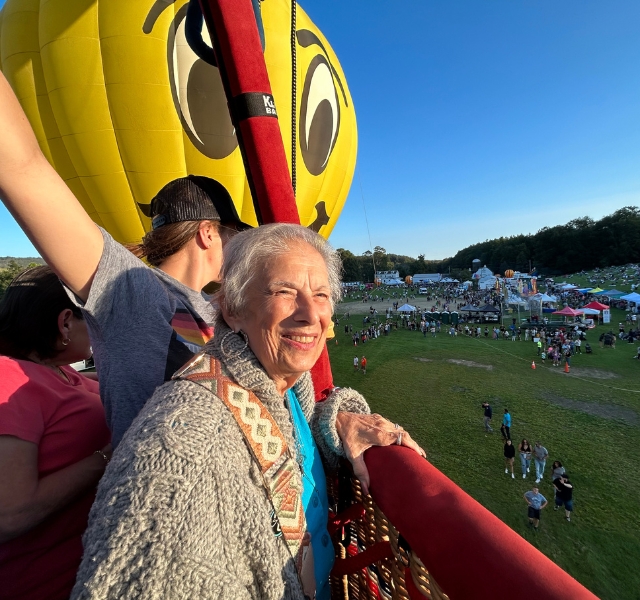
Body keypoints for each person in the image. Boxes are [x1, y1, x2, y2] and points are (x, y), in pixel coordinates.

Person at [71, 224, 426, 599]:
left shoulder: (287, 384)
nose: (310, 313)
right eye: (284, 292)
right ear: (234, 309)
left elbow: (294, 437)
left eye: (321, 294)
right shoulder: (185, 451)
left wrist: (338, 418)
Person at [0, 72, 250, 446]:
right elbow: (23, 168)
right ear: (208, 233)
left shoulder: (212, 308)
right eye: (234, 237)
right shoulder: (131, 288)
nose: (239, 251)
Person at [0, 267, 111, 600]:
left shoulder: (60, 372)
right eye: (93, 320)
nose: (99, 330)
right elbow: (10, 513)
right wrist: (108, 457)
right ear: (65, 323)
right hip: (42, 583)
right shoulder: (10, 380)